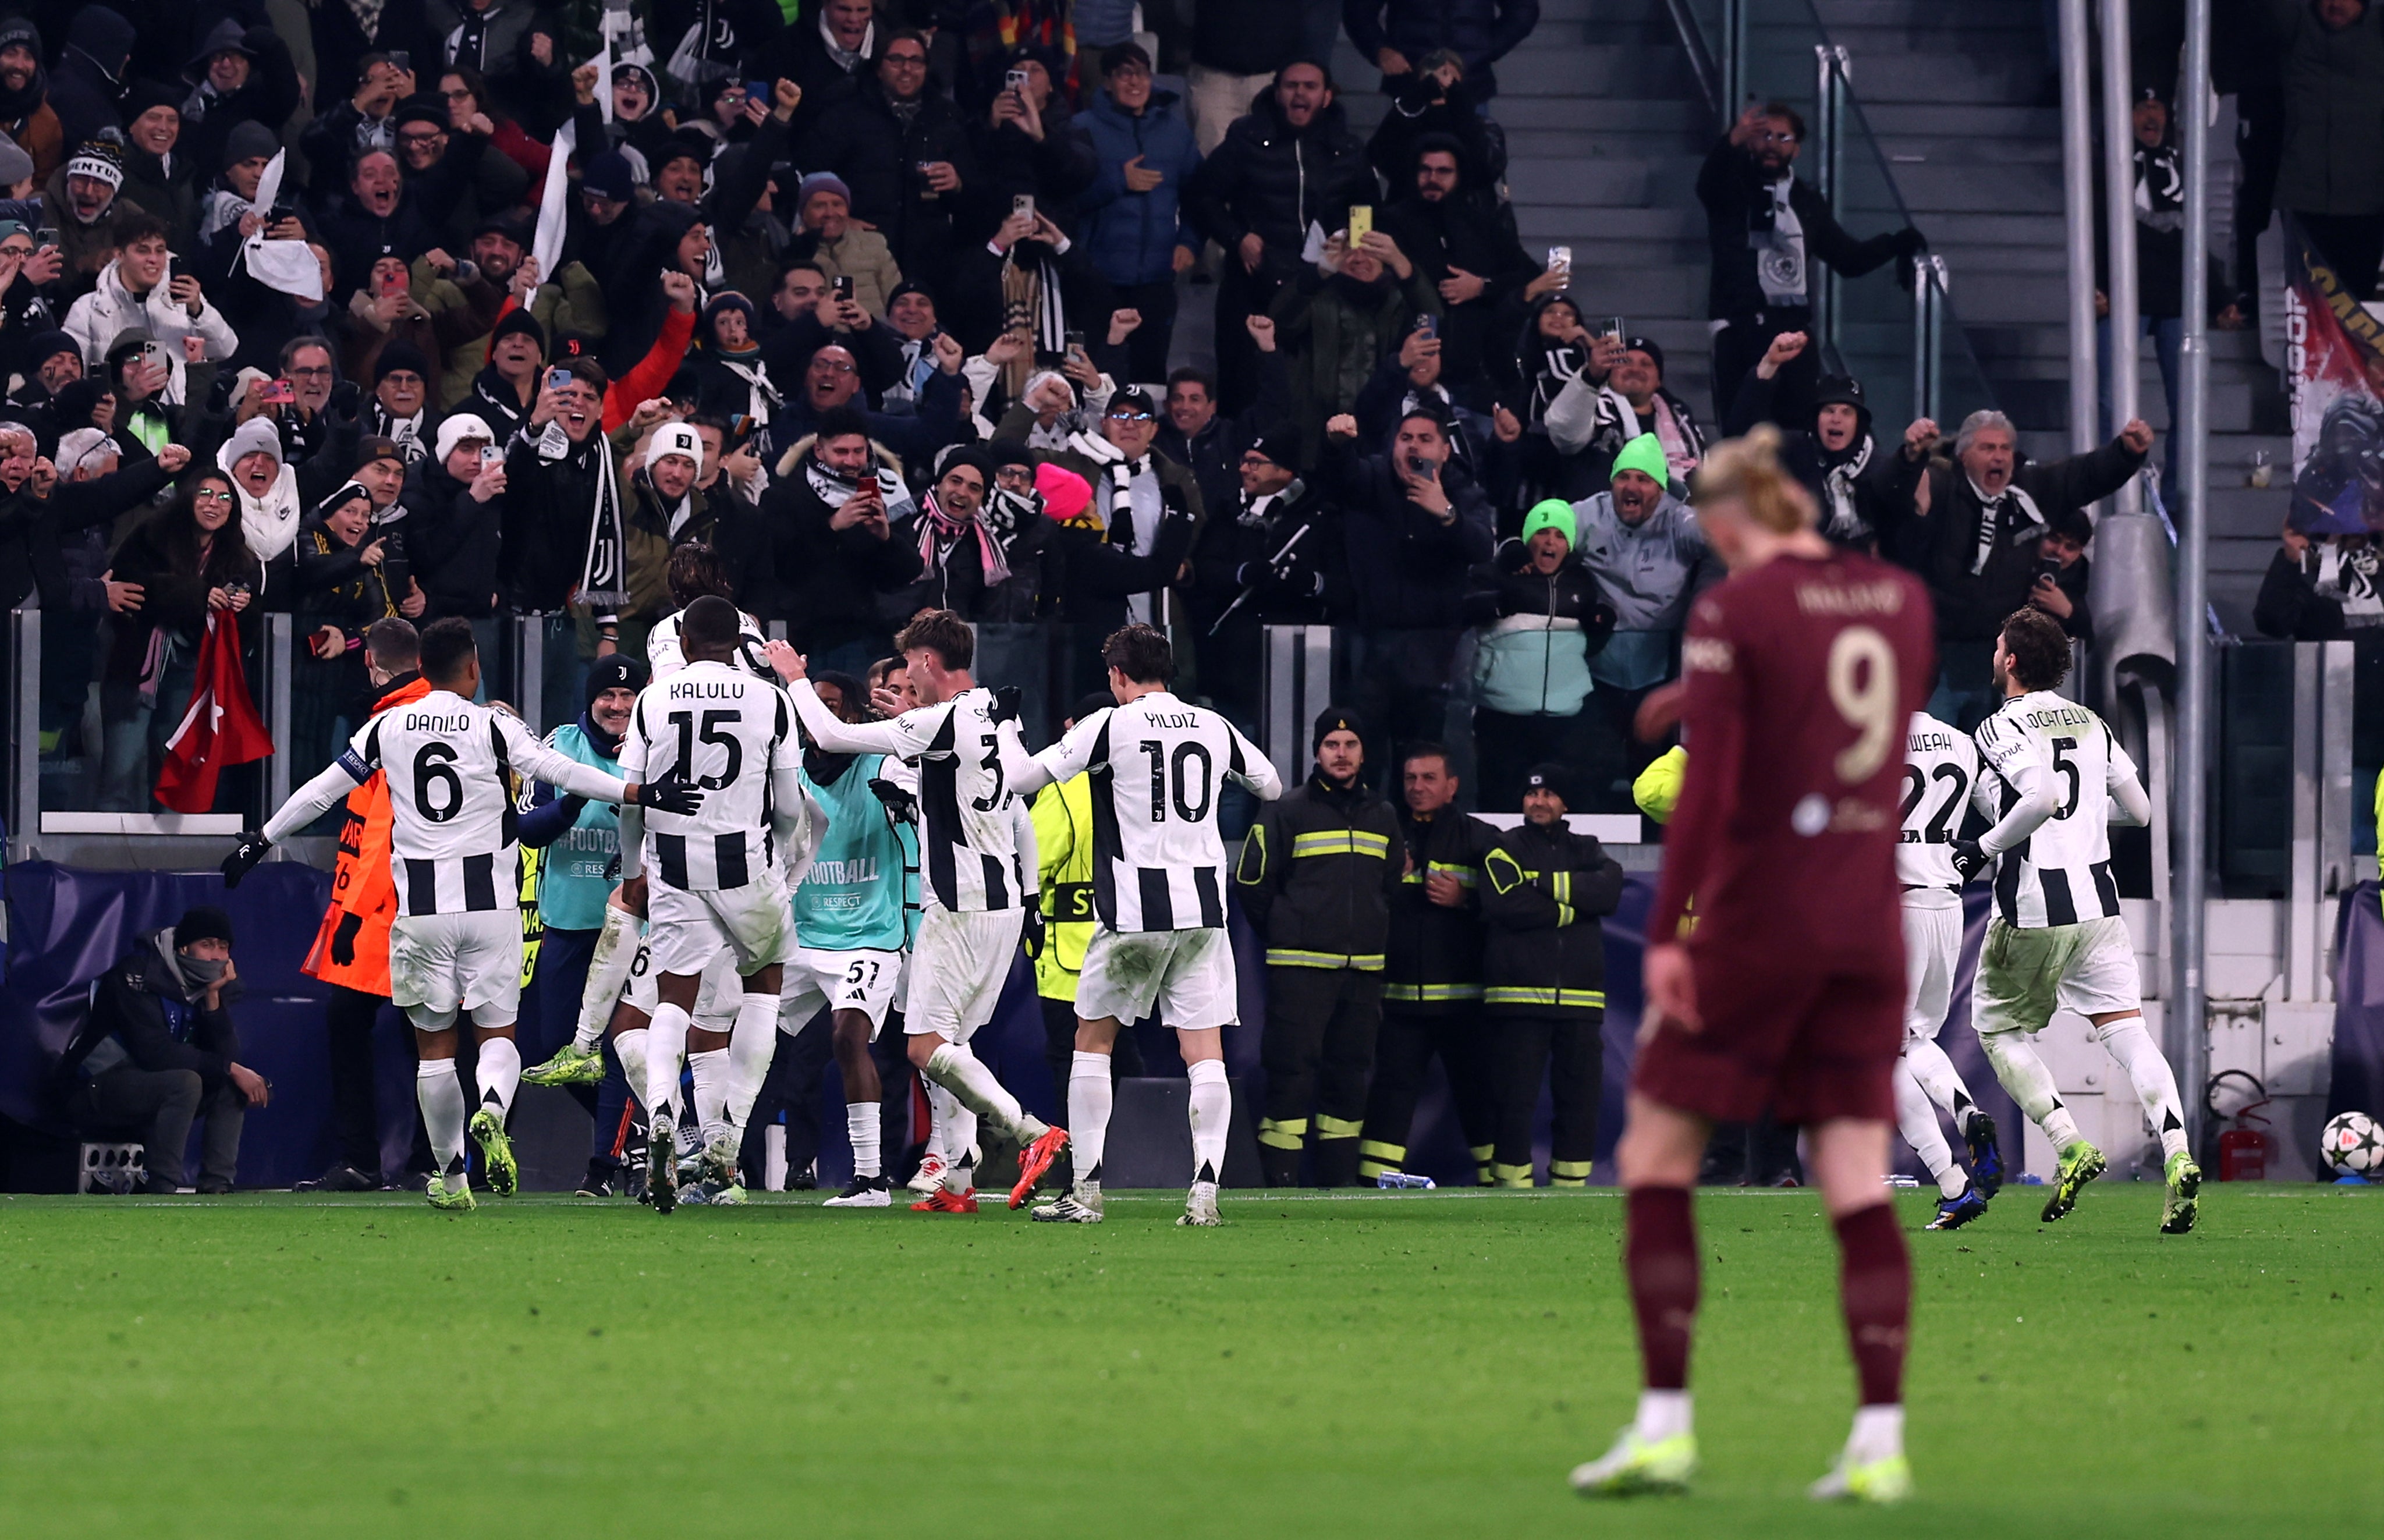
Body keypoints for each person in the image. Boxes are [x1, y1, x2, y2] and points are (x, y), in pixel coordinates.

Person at [1574, 427, 1932, 1503]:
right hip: (1868, 923)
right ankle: (1878, 1442)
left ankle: (1664, 1426)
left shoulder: (1737, 608)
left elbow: (1711, 789)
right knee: (1857, 1184)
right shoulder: (1900, 600)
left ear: (1730, 524)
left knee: (1655, 1158)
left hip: (1759, 920)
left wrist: (1677, 936)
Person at [225, 617, 698, 1211]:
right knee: (497, 1038)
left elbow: (323, 790)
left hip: (419, 910)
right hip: (490, 909)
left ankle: (450, 1178)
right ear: (473, 667)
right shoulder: (493, 724)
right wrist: (638, 792)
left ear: (422, 668)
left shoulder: (386, 726)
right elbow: (556, 770)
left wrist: (260, 839)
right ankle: (494, 1111)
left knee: (435, 1052)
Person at [773, 609, 1072, 1213]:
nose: (907, 674)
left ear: (929, 663)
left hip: (956, 905)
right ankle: (959, 1186)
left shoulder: (940, 721)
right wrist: (909, 722)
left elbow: (830, 738)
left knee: (923, 1047)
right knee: (951, 1049)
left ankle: (1031, 1133)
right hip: (1004, 903)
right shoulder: (995, 707)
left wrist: (793, 679)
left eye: (911, 665)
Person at [1003, 624, 1283, 1223]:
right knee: (1203, 1053)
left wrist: (1006, 730)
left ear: (1119, 676)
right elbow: (1271, 783)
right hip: (1205, 910)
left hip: (1134, 910)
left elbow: (1023, 779)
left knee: (1091, 1043)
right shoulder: (1211, 723)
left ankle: (1086, 1190)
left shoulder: (1109, 724)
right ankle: (1205, 1192)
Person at [1953, 606, 2198, 1234]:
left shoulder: (1999, 725)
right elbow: (2141, 813)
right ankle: (2177, 1152)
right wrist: (2084, 818)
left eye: (1997, 646)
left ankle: (2068, 1144)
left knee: (1999, 1031)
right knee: (2128, 1034)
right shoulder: (2092, 723)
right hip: (2099, 907)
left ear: (2010, 660)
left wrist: (1983, 848)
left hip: (2032, 909)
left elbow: (2039, 797)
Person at [615, 596, 814, 1212]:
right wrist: (778, 860)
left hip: (673, 860)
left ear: (684, 641)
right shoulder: (770, 699)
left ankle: (661, 1115)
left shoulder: (654, 699)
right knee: (763, 983)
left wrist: (632, 869)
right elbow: (788, 806)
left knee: (674, 995)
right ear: (736, 642)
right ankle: (726, 1141)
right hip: (744, 859)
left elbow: (630, 799)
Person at [777, 666, 926, 1209]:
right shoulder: (789, 771)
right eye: (819, 705)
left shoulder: (883, 764)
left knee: (848, 1038)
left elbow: (921, 794)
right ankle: (716, 1159)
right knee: (730, 1021)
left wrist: (906, 796)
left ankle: (872, 1179)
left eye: (838, 705)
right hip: (800, 935)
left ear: (859, 714)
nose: (827, 716)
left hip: (871, 932)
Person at [1233, 707, 1400, 1186]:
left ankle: (1338, 1185)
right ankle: (1279, 1184)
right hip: (1299, 971)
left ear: (1364, 753)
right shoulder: (1287, 810)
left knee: (1350, 1080)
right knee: (1290, 1076)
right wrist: (1289, 932)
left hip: (1363, 973)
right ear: (1317, 752)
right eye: (1331, 745)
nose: (1341, 754)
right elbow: (1252, 884)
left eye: (1350, 745)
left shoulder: (1384, 816)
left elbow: (1388, 887)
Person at [1901, 410, 2148, 730]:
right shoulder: (1942, 486)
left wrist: (2126, 453)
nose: (1999, 457)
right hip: (1937, 656)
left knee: (1992, 757)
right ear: (1964, 455)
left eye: (2005, 449)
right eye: (1988, 448)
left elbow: (2083, 476)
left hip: (1999, 656)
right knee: (1933, 752)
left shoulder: (2028, 492)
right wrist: (1910, 457)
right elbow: (1895, 495)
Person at [295, 619, 432, 1194]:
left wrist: (349, 915)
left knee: (397, 1029)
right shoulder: (438, 712)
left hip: (388, 910)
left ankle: (370, 1159)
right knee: (428, 1034)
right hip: (431, 902)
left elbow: (378, 835)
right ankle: (435, 1161)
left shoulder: (387, 726)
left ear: (372, 664)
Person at [515, 654, 649, 1195]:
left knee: (619, 1044)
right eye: (607, 697)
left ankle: (603, 1164)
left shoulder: (657, 745)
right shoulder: (559, 747)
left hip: (635, 922)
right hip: (568, 920)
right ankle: (637, 1132)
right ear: (590, 699)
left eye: (627, 697)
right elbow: (529, 830)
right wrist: (575, 797)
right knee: (556, 1045)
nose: (617, 706)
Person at [1696, 102, 1922, 423]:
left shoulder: (1806, 200)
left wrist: (1896, 243)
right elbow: (1707, 186)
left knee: (1798, 433)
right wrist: (1732, 139)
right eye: (1765, 135)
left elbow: (1847, 259)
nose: (1773, 144)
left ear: (1797, 149)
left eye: (1783, 138)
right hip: (1738, 327)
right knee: (1741, 430)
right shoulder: (1732, 187)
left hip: (1793, 331)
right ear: (1750, 141)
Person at [1184, 60, 1371, 417]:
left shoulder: (1347, 148)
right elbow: (1201, 196)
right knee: (1245, 396)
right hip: (1256, 285)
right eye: (1291, 85)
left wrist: (1355, 249)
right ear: (1277, 92)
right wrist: (1237, 237)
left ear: (1327, 96)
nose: (1300, 93)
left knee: (1312, 398)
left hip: (1322, 286)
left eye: (1310, 86)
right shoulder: (1246, 139)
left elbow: (1364, 208)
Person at [1357, 741, 1500, 1186]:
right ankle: (1371, 1189)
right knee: (1389, 1102)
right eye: (1410, 779)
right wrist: (1386, 880)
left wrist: (1466, 899)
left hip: (1464, 1006)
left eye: (1429, 778)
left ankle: (1501, 1188)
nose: (1417, 788)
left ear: (1452, 786)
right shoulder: (1386, 834)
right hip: (1399, 1004)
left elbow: (1512, 908)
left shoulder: (1482, 839)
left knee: (1480, 1099)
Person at [1321, 407, 1495, 767]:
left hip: (1433, 655)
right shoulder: (1372, 477)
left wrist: (1446, 512)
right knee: (1365, 756)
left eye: (1425, 439)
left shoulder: (1462, 491)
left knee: (1420, 760)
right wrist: (1338, 446)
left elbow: (1482, 547)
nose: (1413, 447)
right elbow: (1339, 479)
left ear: (1445, 452)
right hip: (1368, 646)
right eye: (1406, 438)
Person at [1477, 764, 1623, 1186]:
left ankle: (1570, 1192)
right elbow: (1507, 905)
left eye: (1548, 795)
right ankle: (1511, 1188)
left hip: (1580, 1000)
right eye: (1531, 795)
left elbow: (1609, 890)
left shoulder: (1588, 848)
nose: (1538, 802)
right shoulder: (1502, 848)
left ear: (1565, 803)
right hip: (1517, 998)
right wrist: (1573, 908)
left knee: (1579, 1102)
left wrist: (1540, 882)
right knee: (1513, 1100)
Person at [1023, 687, 1144, 1198]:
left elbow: (1036, 856)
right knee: (1124, 1058)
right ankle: (1119, 1163)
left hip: (1069, 950)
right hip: (1135, 938)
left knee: (1069, 1061)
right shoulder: (1139, 782)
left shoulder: (1065, 787)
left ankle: (1074, 1164)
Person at [54, 906, 267, 1195]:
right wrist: (230, 1068)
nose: (216, 956)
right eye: (206, 945)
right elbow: (154, 1053)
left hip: (151, 1086)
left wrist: (213, 999)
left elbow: (226, 1056)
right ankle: (162, 1187)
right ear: (184, 947)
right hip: (94, 1088)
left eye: (223, 947)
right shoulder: (137, 975)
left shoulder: (211, 986)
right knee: (188, 1082)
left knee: (229, 1084)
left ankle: (217, 1187)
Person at [1895, 708, 2002, 1232]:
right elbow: (2003, 812)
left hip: (1892, 905)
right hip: (1947, 904)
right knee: (1917, 1037)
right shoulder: (1961, 741)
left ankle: (1953, 1183)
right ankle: (1967, 1113)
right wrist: (1979, 855)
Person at [1568, 433, 1711, 808]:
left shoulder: (1678, 519)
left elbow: (1728, 538)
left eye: (1644, 480)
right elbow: (1540, 531)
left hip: (1658, 671)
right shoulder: (1587, 515)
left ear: (1661, 490)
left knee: (1651, 770)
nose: (1631, 486)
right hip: (1597, 670)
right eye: (1624, 477)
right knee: (1589, 769)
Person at [1464, 499, 1615, 811]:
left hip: (1564, 719)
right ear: (1528, 538)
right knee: (1499, 804)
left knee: (1560, 806)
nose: (1550, 542)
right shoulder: (1501, 572)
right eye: (1542, 533)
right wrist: (1500, 600)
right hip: (1502, 717)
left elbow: (1589, 646)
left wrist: (1600, 626)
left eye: (1560, 535)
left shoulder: (1583, 583)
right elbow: (1464, 607)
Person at [1073, 42, 1202, 384]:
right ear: (1107, 82)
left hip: (1157, 282)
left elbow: (1201, 195)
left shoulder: (1175, 132)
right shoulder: (1082, 128)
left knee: (1150, 379)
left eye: (1142, 73)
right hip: (1098, 280)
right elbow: (1064, 198)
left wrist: (1190, 241)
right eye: (1124, 74)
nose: (1135, 82)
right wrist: (1117, 180)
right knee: (1095, 377)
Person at [1723, 335, 1924, 553]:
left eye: (1847, 412)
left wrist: (1912, 455)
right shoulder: (1794, 451)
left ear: (1860, 423)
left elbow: (1900, 515)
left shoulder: (1879, 466)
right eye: (1829, 411)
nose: (1836, 419)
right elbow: (1743, 435)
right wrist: (1770, 364)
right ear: (1816, 418)